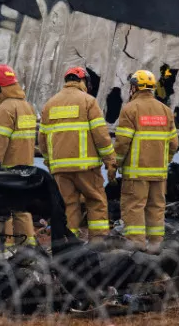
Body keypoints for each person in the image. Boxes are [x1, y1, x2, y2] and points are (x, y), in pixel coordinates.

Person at [39, 66, 115, 240]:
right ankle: (98, 243)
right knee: (96, 202)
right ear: (83, 82)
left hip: (60, 169)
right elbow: (101, 136)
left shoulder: (50, 104)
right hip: (86, 167)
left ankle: (67, 244)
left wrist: (50, 163)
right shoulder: (88, 101)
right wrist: (109, 161)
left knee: (68, 206)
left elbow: (42, 140)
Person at [114, 69, 179, 249]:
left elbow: (122, 144)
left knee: (134, 207)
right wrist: (164, 161)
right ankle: (155, 245)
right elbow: (174, 143)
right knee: (156, 207)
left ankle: (137, 246)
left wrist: (114, 164)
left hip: (136, 174)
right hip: (159, 174)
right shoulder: (165, 111)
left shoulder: (130, 109)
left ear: (135, 87)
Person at [0, 64, 38, 247]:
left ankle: (5, 248)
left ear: (0, 85)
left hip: (7, 170)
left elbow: (0, 142)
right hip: (25, 168)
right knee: (22, 210)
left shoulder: (5, 109)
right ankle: (29, 248)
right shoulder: (27, 107)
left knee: (4, 210)